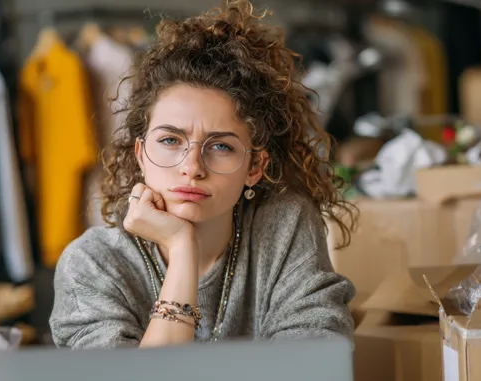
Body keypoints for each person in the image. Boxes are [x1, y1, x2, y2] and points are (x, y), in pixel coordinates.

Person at [50, 0, 357, 349]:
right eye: (169, 140)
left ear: (254, 167)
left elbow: (316, 363)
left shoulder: (284, 226)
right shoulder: (92, 264)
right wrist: (182, 249)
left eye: (221, 147)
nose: (192, 167)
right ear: (141, 156)